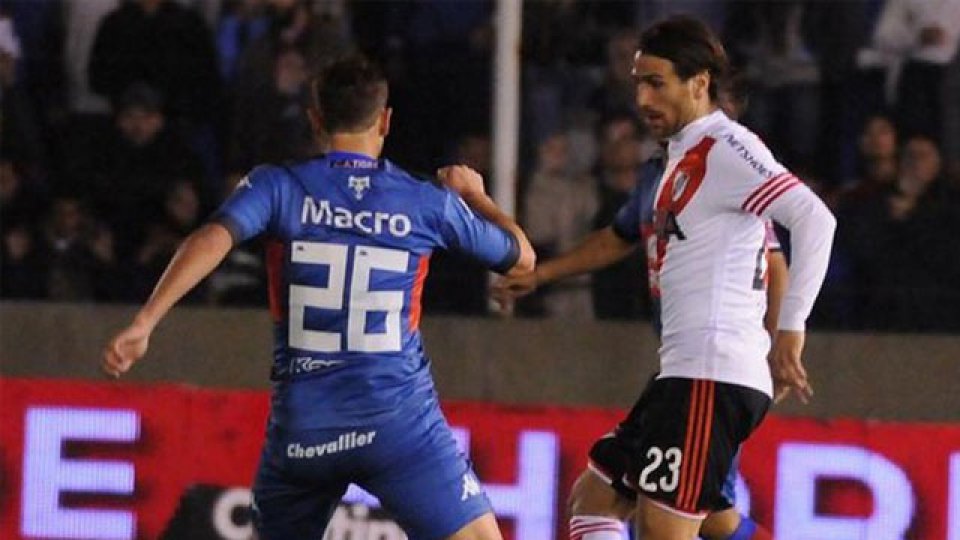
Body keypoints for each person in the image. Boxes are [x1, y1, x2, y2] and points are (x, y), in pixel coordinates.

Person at [101, 54, 534, 540]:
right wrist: (476, 197)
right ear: (386, 120)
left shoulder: (278, 187)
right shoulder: (424, 202)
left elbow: (212, 238)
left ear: (315, 119)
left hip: (305, 430)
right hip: (399, 426)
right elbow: (522, 259)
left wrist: (146, 321)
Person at [500, 16, 834, 540]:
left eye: (656, 82)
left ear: (699, 83)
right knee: (595, 501)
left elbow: (815, 219)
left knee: (664, 529)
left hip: (711, 371)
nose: (642, 98)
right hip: (682, 374)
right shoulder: (677, 158)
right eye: (638, 82)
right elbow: (621, 235)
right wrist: (542, 275)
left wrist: (790, 329)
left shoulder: (726, 147)